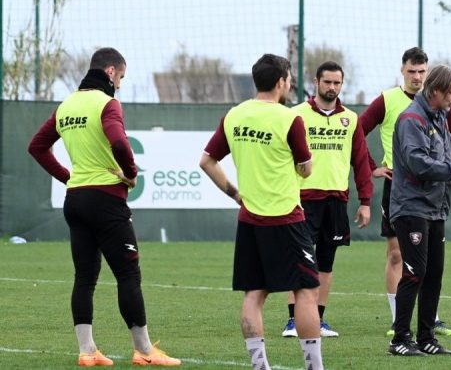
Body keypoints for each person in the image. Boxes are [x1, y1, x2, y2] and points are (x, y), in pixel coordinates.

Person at [27, 48, 182, 368]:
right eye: (121, 77)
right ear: (110, 72)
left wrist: (68, 177)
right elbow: (120, 142)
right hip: (106, 201)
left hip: (76, 200)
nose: (121, 85)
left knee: (85, 277)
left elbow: (37, 147)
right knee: (128, 274)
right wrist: (131, 172)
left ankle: (87, 351)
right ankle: (145, 351)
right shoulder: (107, 103)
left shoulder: (67, 105)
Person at [199, 54, 324, 370]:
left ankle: (260, 366)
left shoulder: (234, 116)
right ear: (281, 81)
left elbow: (206, 162)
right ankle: (314, 367)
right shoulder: (289, 119)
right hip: (287, 218)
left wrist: (235, 194)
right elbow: (306, 169)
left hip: (250, 219)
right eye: (289, 77)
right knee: (307, 291)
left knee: (254, 295)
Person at [359, 47, 451, 337]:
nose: (417, 76)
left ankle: (427, 330)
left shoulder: (441, 114)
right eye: (412, 71)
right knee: (401, 258)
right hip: (405, 192)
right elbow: (358, 131)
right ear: (403, 70)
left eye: (422, 71)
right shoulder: (400, 108)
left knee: (430, 270)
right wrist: (372, 166)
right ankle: (399, 327)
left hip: (434, 196)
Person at [386, 65, 451, 356]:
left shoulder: (440, 117)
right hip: (411, 207)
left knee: (433, 273)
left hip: (435, 208)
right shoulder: (410, 120)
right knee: (414, 272)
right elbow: (418, 163)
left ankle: (427, 337)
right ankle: (400, 339)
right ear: (436, 91)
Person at [281, 61, 374, 338]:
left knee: (326, 262)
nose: (332, 87)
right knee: (299, 259)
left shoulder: (351, 119)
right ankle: (292, 321)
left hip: (336, 200)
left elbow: (360, 162)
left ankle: (318, 320)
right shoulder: (295, 115)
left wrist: (366, 201)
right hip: (301, 199)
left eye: (337, 83)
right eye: (327, 82)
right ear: (316, 82)